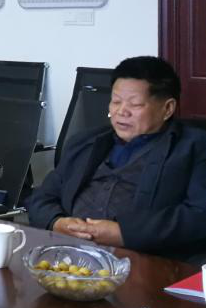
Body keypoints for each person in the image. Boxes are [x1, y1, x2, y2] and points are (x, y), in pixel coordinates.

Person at [27, 56, 206, 261]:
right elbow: (40, 198)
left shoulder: (194, 148)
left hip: (146, 263)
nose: (121, 112)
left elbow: (199, 215)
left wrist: (123, 233)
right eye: (116, 101)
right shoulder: (85, 143)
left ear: (167, 109)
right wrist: (57, 222)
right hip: (70, 256)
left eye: (135, 104)